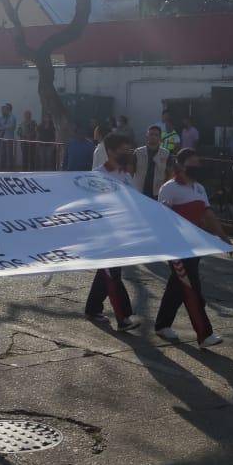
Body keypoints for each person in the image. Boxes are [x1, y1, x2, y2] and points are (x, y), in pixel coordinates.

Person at [154, 148, 230, 348]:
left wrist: (223, 238)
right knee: (191, 288)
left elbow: (208, 215)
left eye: (199, 163)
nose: (197, 167)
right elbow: (163, 218)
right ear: (181, 165)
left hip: (194, 247)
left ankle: (162, 324)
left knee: (177, 286)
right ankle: (204, 334)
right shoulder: (169, 188)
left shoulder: (199, 188)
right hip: (177, 247)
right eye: (193, 164)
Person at [83, 135, 141, 332]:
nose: (127, 154)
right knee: (113, 274)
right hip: (104, 233)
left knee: (107, 272)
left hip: (121, 232)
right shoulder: (97, 175)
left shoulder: (124, 175)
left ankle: (92, 308)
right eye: (123, 150)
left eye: (129, 150)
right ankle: (124, 317)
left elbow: (134, 201)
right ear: (111, 151)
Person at [133, 126, 169, 199]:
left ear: (160, 137)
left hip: (158, 192)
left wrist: (165, 188)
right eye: (151, 134)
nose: (153, 137)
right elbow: (130, 171)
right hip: (139, 190)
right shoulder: (138, 152)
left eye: (156, 135)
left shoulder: (166, 153)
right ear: (147, 135)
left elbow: (170, 173)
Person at [0, 104, 17, 170]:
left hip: (9, 138)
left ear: (9, 109)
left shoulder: (12, 117)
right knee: (2, 153)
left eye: (6, 108)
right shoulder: (1, 117)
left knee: (9, 154)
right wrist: (3, 127)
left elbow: (11, 126)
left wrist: (2, 127)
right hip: (2, 137)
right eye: (4, 109)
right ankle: (2, 167)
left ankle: (9, 168)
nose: (4, 110)